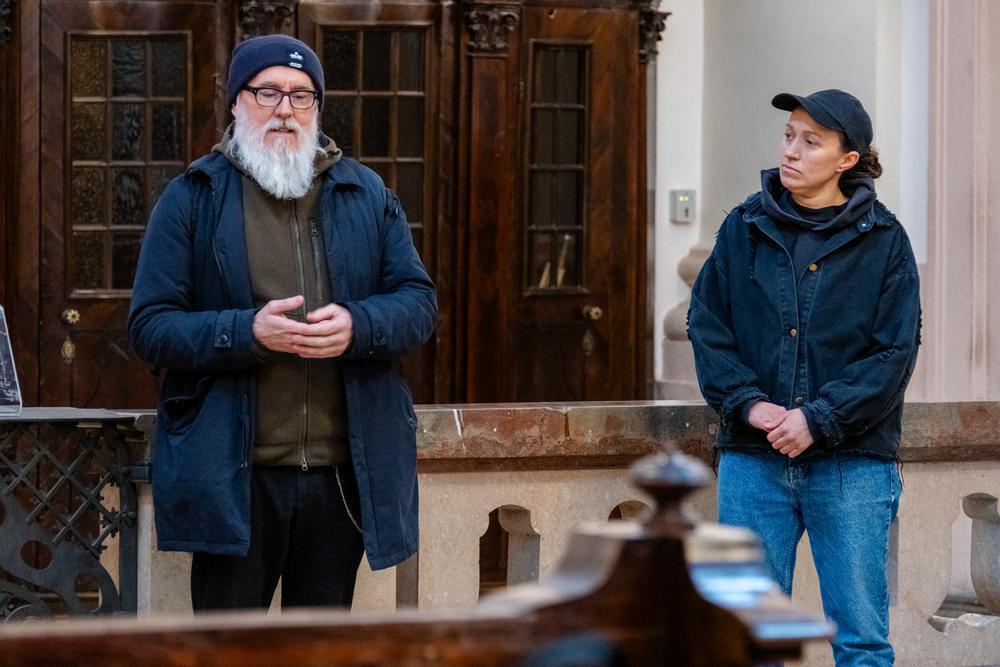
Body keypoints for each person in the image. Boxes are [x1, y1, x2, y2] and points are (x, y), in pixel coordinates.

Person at [128, 34, 437, 610]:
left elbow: (418, 302)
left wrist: (359, 325)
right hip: (236, 479)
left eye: (301, 96)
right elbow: (150, 326)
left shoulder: (366, 193)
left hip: (341, 475)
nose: (284, 109)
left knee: (316, 651)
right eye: (267, 91)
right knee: (226, 653)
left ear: (317, 109)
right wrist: (246, 334)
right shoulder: (192, 197)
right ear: (236, 103)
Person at [688, 89, 920, 665]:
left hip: (852, 465)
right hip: (753, 459)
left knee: (860, 638)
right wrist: (748, 403)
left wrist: (818, 419)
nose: (791, 150)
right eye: (789, 135)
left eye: (811, 141)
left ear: (847, 159)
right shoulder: (742, 228)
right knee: (746, 638)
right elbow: (708, 325)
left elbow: (892, 354)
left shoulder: (884, 240)